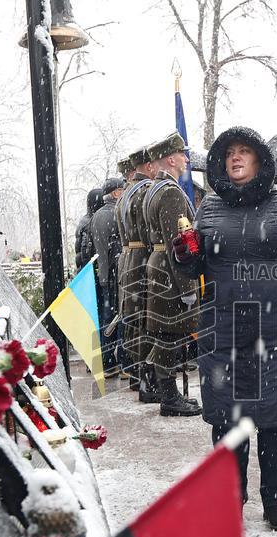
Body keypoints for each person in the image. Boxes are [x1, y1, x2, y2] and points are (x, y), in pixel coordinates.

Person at [172, 126, 277, 531]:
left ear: (261, 159)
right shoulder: (208, 208)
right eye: (229, 153)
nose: (236, 158)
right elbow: (197, 267)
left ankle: (275, 501)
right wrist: (185, 254)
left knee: (276, 419)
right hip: (224, 331)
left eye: (244, 151)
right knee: (228, 421)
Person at [142, 132, 201, 417]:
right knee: (170, 337)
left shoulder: (155, 188)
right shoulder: (170, 192)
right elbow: (177, 243)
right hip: (169, 269)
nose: (186, 159)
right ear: (170, 158)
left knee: (165, 335)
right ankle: (169, 397)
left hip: (159, 266)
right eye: (182, 154)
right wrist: (188, 287)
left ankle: (165, 390)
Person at [116, 147, 159, 400]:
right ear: (148, 166)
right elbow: (147, 232)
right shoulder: (143, 192)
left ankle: (136, 376)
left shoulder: (125, 193)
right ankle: (146, 381)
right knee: (144, 321)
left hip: (128, 258)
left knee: (133, 319)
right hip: (141, 258)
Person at [83, 177, 126, 379]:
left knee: (111, 318)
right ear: (115, 193)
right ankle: (110, 361)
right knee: (112, 319)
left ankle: (110, 361)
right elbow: (102, 251)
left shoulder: (101, 215)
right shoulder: (110, 215)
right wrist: (106, 277)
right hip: (112, 276)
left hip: (109, 275)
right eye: (122, 189)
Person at [74, 187, 104, 271]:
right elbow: (86, 252)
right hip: (91, 272)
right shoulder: (91, 223)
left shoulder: (85, 220)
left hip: (86, 270)